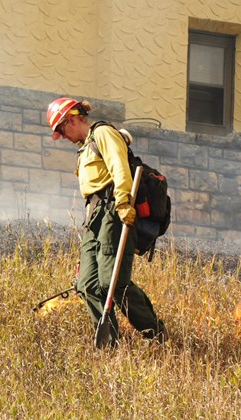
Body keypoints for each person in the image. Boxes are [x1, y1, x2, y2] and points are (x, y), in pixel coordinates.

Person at [46, 97, 166, 347]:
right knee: (87, 284)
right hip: (94, 217)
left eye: (61, 129)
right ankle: (109, 347)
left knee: (113, 282)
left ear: (72, 119)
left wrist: (123, 203)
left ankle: (156, 335)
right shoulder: (85, 148)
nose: (63, 136)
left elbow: (120, 168)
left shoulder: (103, 133)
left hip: (113, 211)